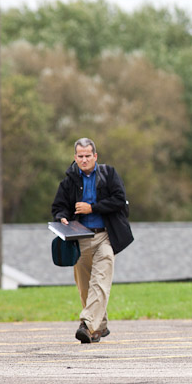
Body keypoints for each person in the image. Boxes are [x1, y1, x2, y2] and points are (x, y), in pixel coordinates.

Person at [51, 138, 134, 343]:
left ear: (95, 156)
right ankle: (99, 327)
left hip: (105, 237)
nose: (84, 159)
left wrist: (93, 208)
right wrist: (62, 217)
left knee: (100, 283)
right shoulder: (68, 181)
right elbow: (58, 206)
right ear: (75, 157)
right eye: (80, 156)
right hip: (79, 239)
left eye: (88, 155)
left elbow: (119, 200)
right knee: (85, 287)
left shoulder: (109, 175)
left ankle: (86, 324)